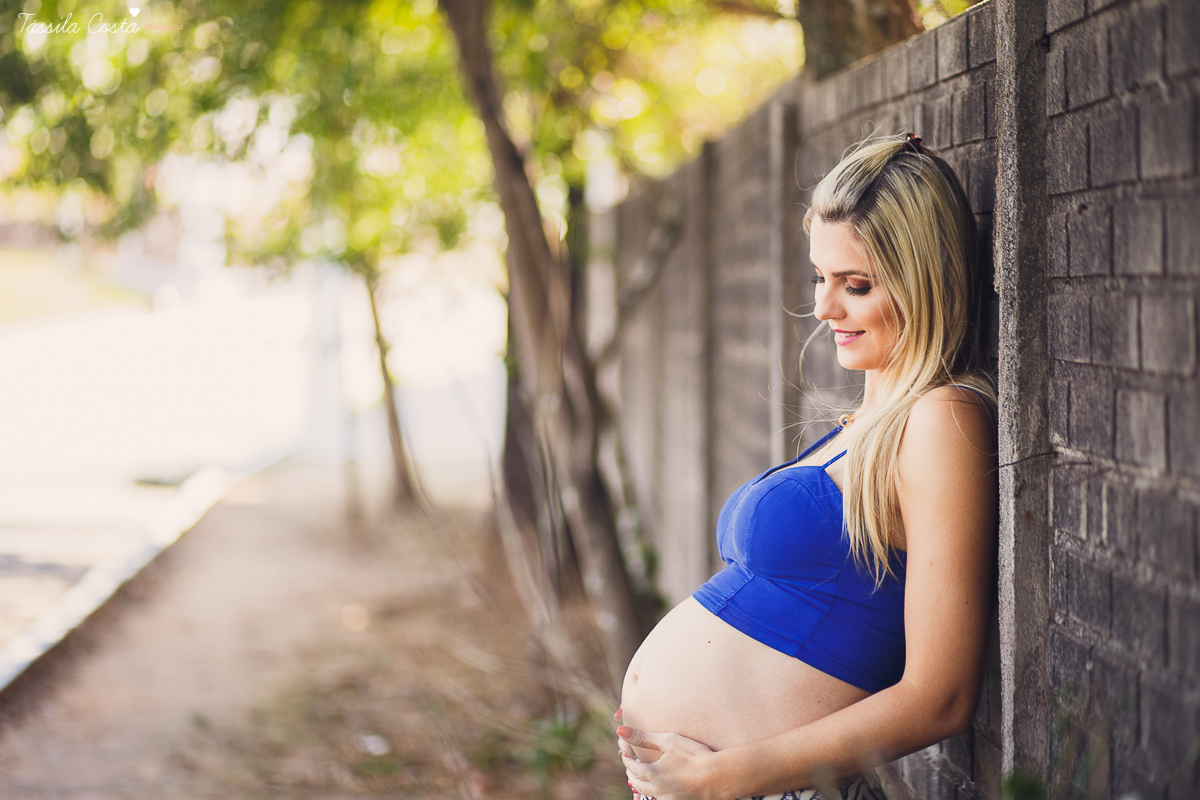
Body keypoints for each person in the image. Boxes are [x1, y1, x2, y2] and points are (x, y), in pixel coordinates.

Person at [615, 133, 998, 800]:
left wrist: (718, 777)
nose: (824, 309)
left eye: (856, 285)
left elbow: (942, 695)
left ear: (925, 282)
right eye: (821, 278)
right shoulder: (864, 424)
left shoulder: (939, 421)